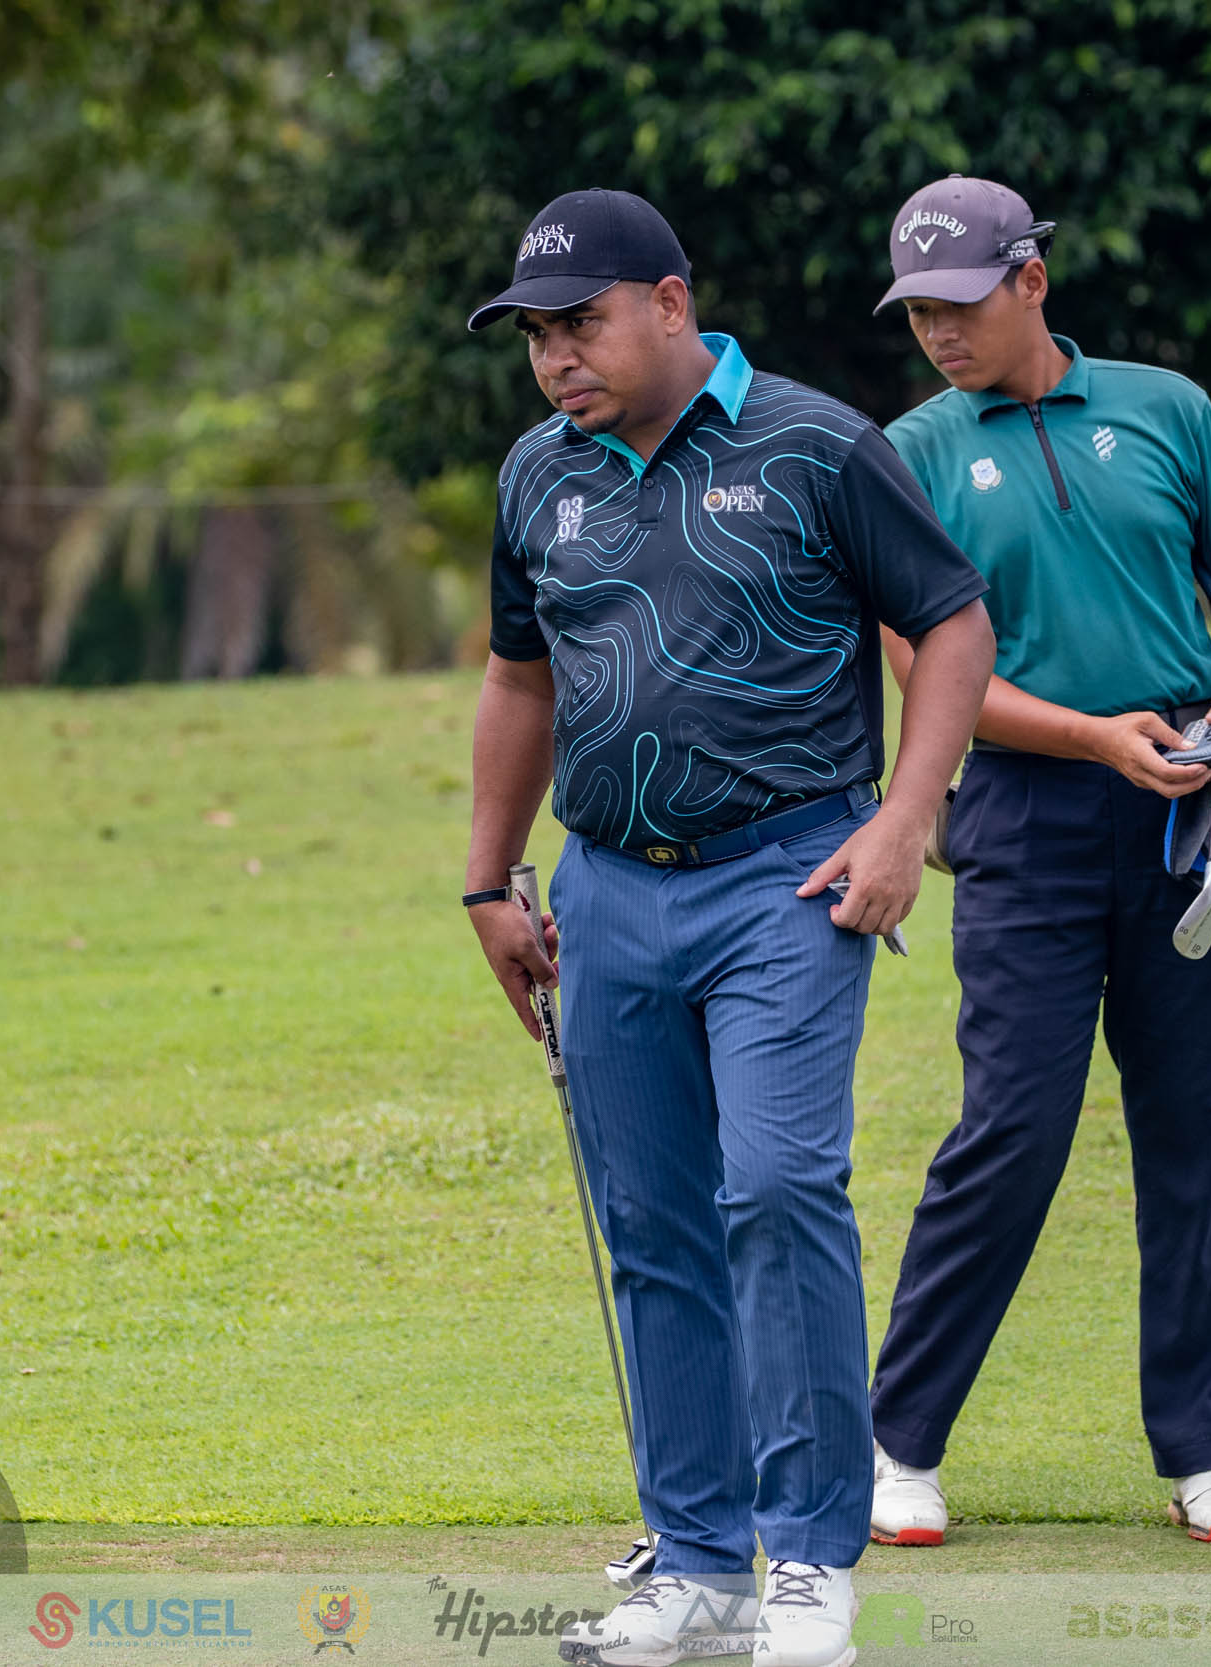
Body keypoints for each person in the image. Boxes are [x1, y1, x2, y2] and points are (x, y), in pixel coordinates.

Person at [461, 187, 994, 1666]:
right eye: (534, 337)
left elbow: (953, 622)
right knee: (651, 1224)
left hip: (788, 880)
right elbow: (518, 679)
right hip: (607, 890)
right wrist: (490, 883)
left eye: (580, 324)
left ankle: (811, 1558)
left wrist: (905, 821)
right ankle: (696, 1569)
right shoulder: (536, 475)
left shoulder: (818, 446)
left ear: (671, 304)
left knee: (776, 1187)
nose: (555, 359)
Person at [861, 175, 1211, 1548]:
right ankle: (897, 1444)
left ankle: (1209, 1454)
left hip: (1192, 815)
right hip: (1022, 817)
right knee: (1012, 1131)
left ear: (1032, 281)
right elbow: (927, 670)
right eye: (918, 312)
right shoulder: (911, 452)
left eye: (961, 303)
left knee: (1198, 1137)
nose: (939, 332)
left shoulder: (1166, 409)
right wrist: (1096, 740)